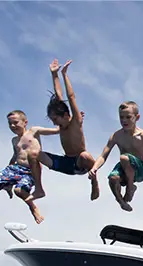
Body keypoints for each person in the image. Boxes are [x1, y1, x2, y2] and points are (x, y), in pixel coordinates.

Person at [26, 58, 99, 202]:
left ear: (66, 115)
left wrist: (65, 75)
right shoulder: (62, 124)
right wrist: (54, 74)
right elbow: (58, 95)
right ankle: (39, 189)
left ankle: (95, 184)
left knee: (85, 155)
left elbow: (71, 97)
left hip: (80, 164)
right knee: (33, 154)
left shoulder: (75, 121)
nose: (55, 124)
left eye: (56, 120)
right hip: (65, 163)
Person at [0, 110, 60, 224]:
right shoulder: (14, 140)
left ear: (25, 122)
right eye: (10, 124)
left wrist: (72, 120)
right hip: (15, 169)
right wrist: (8, 169)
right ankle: (7, 185)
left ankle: (33, 208)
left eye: (15, 122)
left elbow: (57, 130)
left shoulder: (34, 131)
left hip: (31, 170)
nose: (12, 126)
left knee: (19, 190)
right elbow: (15, 155)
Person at [89, 101, 143, 212]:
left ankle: (129, 187)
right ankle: (121, 201)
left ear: (137, 117)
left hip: (140, 169)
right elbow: (103, 156)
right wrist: (94, 168)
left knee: (124, 157)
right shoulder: (116, 136)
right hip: (125, 167)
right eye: (121, 117)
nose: (124, 121)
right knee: (112, 178)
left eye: (128, 117)